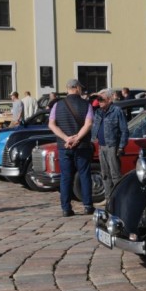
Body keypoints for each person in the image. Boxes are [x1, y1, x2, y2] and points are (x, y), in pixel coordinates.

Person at [48, 78, 94, 217]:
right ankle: (87, 206)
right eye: (80, 87)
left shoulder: (57, 105)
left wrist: (66, 138)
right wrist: (77, 138)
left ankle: (66, 208)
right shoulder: (87, 105)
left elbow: (51, 124)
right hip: (82, 145)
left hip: (64, 146)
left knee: (66, 177)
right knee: (84, 175)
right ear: (77, 88)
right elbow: (89, 124)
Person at [91, 89, 129, 201]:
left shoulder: (117, 111)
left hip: (113, 145)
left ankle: (119, 198)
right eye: (98, 100)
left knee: (115, 174)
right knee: (105, 174)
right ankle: (108, 199)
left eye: (102, 99)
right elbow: (90, 110)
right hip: (101, 146)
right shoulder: (98, 112)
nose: (99, 102)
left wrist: (121, 146)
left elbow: (124, 130)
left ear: (109, 99)